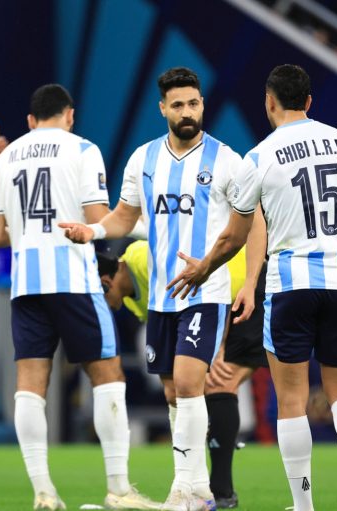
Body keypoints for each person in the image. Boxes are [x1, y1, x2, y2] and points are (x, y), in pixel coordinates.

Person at [167, 64, 337, 511]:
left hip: (290, 287)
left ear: (269, 102)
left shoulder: (259, 157)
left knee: (291, 400)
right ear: (309, 102)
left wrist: (204, 268)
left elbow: (234, 237)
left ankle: (303, 504)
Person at [60, 67, 261, 511]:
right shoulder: (143, 159)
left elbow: (252, 220)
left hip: (206, 290)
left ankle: (183, 490)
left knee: (189, 384)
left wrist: (241, 278)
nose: (187, 112)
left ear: (202, 105)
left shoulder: (227, 160)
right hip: (161, 298)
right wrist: (93, 231)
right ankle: (200, 490)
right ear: (163, 109)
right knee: (173, 393)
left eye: (194, 103)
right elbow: (124, 217)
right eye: (178, 105)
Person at [0, 83, 159, 511]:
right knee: (108, 375)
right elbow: (98, 220)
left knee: (30, 386)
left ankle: (43, 492)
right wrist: (149, 227)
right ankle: (119, 490)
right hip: (74, 281)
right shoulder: (82, 149)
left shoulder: (6, 157)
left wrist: (28, 232)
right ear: (70, 115)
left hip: (26, 285)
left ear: (30, 121)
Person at [97, 239, 268, 509]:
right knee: (180, 390)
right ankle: (195, 483)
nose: (102, 307)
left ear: (105, 281)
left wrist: (217, 346)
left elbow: (215, 281)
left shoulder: (141, 257)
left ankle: (220, 491)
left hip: (243, 286)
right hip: (213, 303)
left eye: (98, 298)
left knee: (221, 381)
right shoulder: (133, 301)